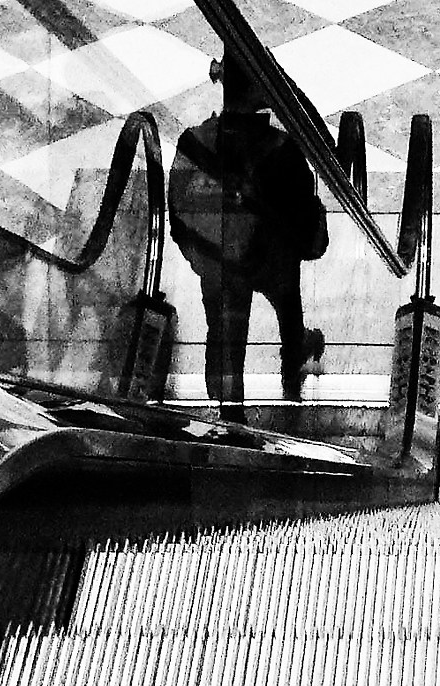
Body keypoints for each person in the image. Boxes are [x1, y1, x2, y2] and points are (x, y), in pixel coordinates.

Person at [171, 57, 328, 417]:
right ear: (261, 92)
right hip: (271, 262)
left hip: (217, 262)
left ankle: (227, 408)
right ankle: (292, 377)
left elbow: (179, 218)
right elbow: (305, 230)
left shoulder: (194, 142)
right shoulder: (282, 149)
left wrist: (206, 257)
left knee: (225, 327)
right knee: (288, 303)